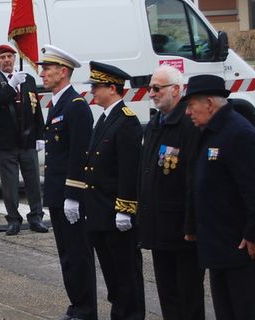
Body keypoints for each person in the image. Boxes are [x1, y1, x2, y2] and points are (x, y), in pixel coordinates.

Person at [184, 74, 255, 320]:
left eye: (191, 105)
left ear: (210, 104)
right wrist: (192, 225)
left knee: (243, 310)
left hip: (241, 246)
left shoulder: (239, 133)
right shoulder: (211, 131)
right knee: (225, 311)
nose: (188, 112)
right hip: (218, 243)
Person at [137, 65, 205, 320]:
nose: (151, 93)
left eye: (157, 88)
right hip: (158, 225)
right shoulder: (156, 124)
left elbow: (192, 180)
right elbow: (145, 173)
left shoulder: (188, 125)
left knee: (187, 295)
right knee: (167, 294)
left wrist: (191, 224)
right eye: (150, 88)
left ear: (176, 90)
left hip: (181, 228)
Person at [37, 45, 97, 320]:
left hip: (70, 195)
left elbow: (79, 154)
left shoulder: (76, 106)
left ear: (63, 72)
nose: (42, 73)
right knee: (67, 255)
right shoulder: (57, 103)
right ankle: (77, 305)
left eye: (47, 69)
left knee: (77, 255)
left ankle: (85, 309)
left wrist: (73, 194)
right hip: (58, 193)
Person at [82, 61, 145, 320]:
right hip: (99, 213)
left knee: (126, 274)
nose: (93, 92)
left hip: (114, 213)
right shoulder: (106, 117)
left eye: (96, 87)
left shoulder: (126, 121)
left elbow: (129, 170)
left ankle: (130, 316)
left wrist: (125, 209)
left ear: (111, 88)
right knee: (112, 275)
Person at [0, 44, 47, 235]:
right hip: (6, 142)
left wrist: (40, 136)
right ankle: (13, 220)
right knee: (10, 185)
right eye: (2, 57)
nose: (7, 60)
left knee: (34, 182)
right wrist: (11, 86)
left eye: (10, 56)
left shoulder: (28, 80)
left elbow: (36, 109)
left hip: (27, 141)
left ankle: (36, 217)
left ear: (15, 58)